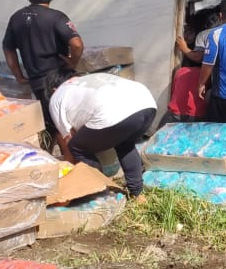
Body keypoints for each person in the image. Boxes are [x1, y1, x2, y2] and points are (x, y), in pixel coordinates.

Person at [48, 73, 157, 203]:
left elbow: (69, 139)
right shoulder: (86, 80)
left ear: (53, 90)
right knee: (125, 144)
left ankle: (100, 195)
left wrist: (68, 175)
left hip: (112, 114)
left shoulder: (57, 97)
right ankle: (137, 194)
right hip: (147, 104)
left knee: (77, 147)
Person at [3, 0, 84, 131]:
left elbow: (8, 49)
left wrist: (19, 76)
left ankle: (62, 154)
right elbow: (77, 44)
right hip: (61, 79)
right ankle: (73, 156)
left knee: (52, 126)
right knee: (65, 127)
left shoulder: (16, 18)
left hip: (38, 83)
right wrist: (72, 63)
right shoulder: (57, 17)